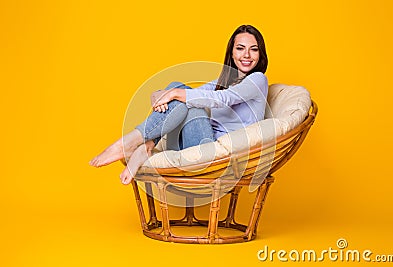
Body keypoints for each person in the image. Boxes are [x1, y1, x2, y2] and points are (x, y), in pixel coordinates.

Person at [89, 24, 269, 185]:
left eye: (253, 49)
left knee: (184, 96)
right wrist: (159, 95)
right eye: (240, 48)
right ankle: (147, 144)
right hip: (192, 145)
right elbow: (194, 93)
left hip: (215, 156)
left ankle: (131, 142)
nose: (246, 55)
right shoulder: (225, 81)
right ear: (231, 52)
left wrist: (173, 94)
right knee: (179, 88)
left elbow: (222, 99)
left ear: (260, 54)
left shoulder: (258, 80)